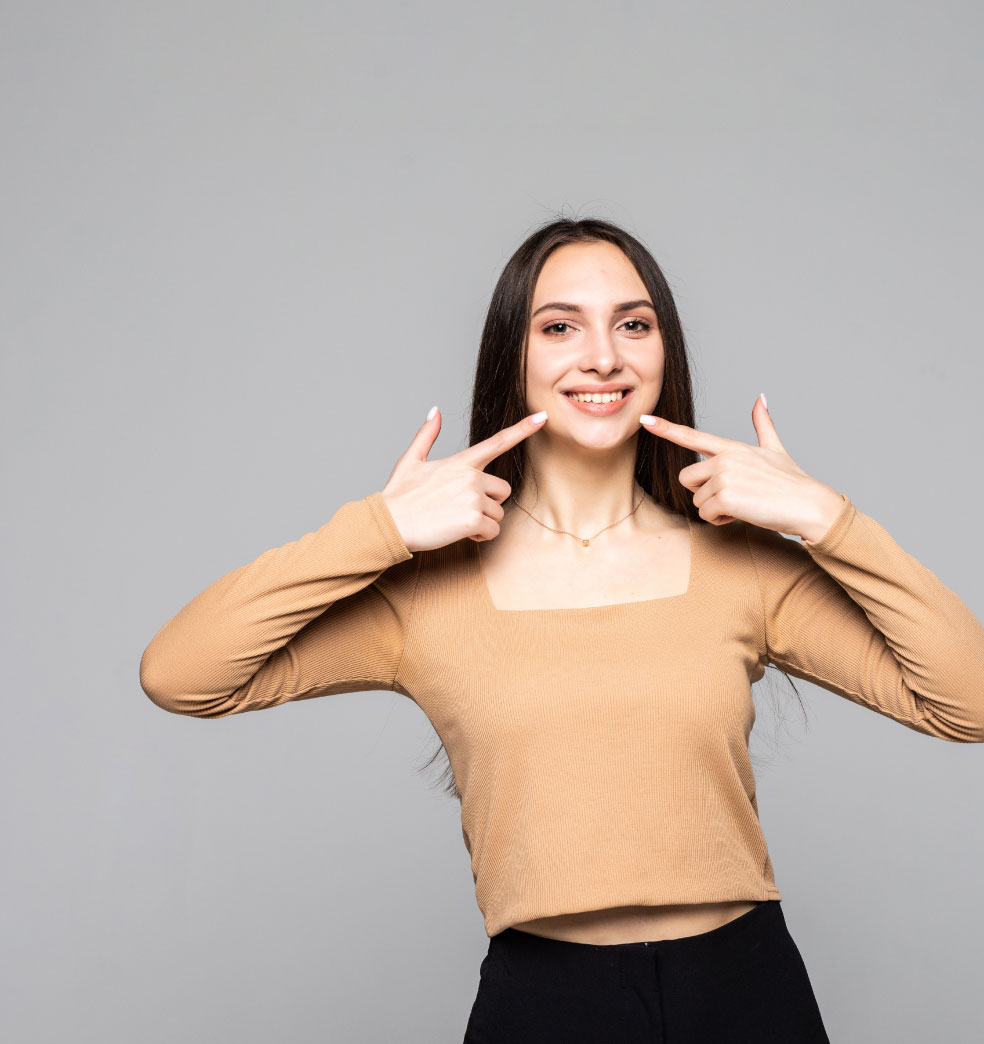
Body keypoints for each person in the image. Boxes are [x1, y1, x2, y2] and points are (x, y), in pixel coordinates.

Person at [139, 217, 984, 1043]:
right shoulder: (426, 593)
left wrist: (827, 518)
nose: (603, 356)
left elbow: (969, 703)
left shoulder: (743, 566)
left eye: (633, 324)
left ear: (663, 353)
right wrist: (379, 528)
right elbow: (180, 674)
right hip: (544, 1004)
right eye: (560, 327)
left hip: (746, 991)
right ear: (512, 356)